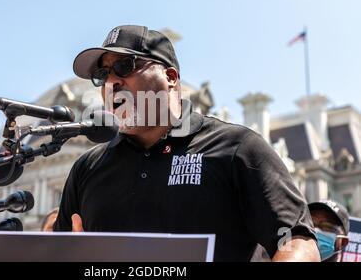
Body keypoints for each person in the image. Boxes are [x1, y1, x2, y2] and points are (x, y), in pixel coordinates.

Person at [54, 24, 320, 261]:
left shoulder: (238, 147)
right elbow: (56, 252)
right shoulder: (87, 168)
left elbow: (298, 242)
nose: (112, 82)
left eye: (125, 66)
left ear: (170, 78)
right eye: (102, 74)